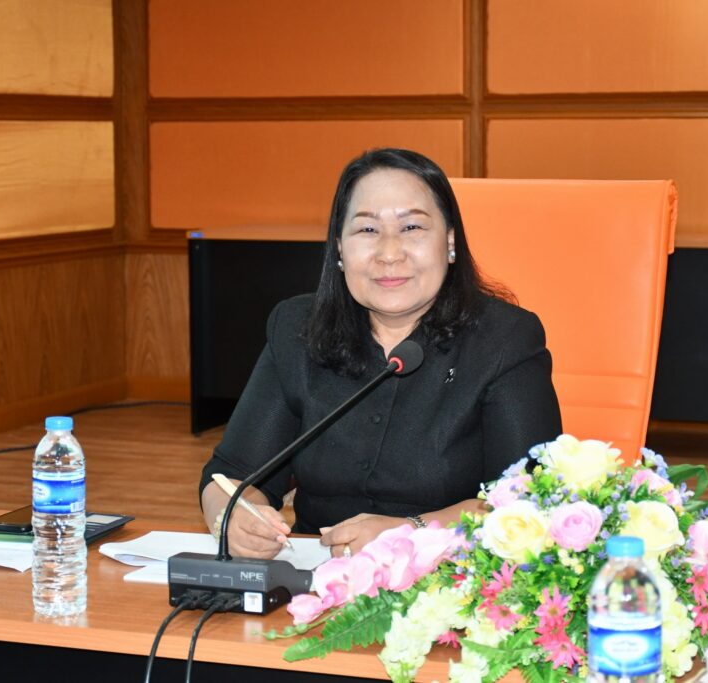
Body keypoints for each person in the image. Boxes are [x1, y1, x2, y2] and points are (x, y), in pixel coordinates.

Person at [199, 148, 561, 559]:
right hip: (317, 573)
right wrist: (233, 516)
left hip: (450, 575)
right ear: (339, 248)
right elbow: (230, 476)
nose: (389, 253)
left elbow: (527, 502)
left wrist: (412, 532)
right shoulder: (298, 329)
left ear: (449, 241)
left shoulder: (505, 339)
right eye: (368, 230)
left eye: (411, 227)